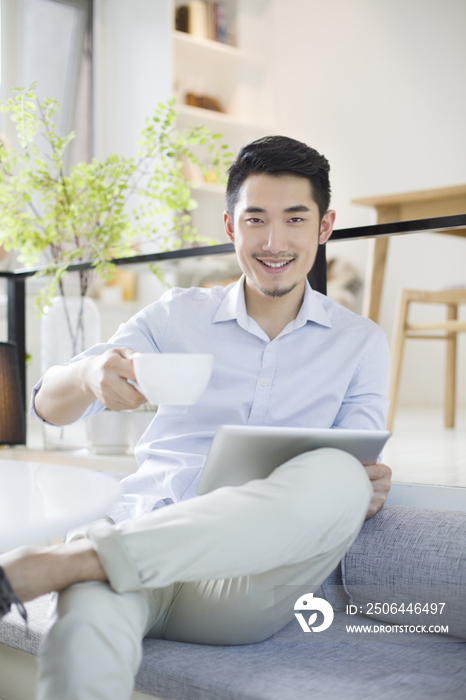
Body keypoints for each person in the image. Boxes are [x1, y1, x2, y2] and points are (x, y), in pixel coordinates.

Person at [0, 135, 391, 700]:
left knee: (339, 474)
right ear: (231, 227)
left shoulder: (360, 343)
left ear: (324, 227)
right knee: (86, 634)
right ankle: (87, 562)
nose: (274, 241)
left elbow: (357, 464)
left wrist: (362, 482)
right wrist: (89, 376)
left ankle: (67, 562)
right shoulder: (175, 313)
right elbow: (46, 404)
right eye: (255, 219)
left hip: (242, 583)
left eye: (295, 219)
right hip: (138, 525)